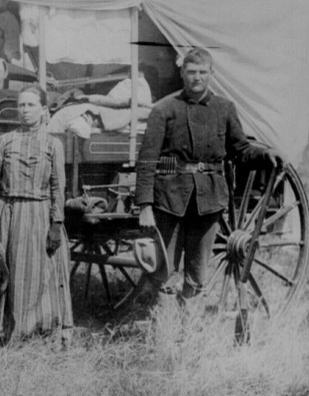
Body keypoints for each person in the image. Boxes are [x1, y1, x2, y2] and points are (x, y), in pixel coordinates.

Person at [136, 48, 282, 304]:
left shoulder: (224, 109)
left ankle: (189, 335)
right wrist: (145, 206)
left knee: (197, 275)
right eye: (191, 72)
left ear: (211, 74)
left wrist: (265, 155)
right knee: (164, 272)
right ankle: (165, 337)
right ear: (182, 73)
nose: (197, 78)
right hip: (170, 200)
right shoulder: (164, 109)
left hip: (209, 201)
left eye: (202, 72)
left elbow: (241, 150)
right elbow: (147, 160)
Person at [0, 84, 74, 343]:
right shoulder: (5, 141)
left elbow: (58, 186)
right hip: (11, 214)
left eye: (31, 105)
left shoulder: (54, 144)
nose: (25, 110)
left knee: (44, 274)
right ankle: (10, 332)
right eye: (21, 105)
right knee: (13, 274)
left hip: (41, 215)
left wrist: (57, 223)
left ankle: (44, 332)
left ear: (44, 110)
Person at [47, 66, 154, 138]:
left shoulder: (138, 86)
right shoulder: (128, 83)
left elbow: (119, 100)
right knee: (85, 108)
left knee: (92, 110)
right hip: (115, 105)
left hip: (119, 107)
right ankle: (80, 121)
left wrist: (91, 98)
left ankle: (81, 121)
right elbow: (114, 99)